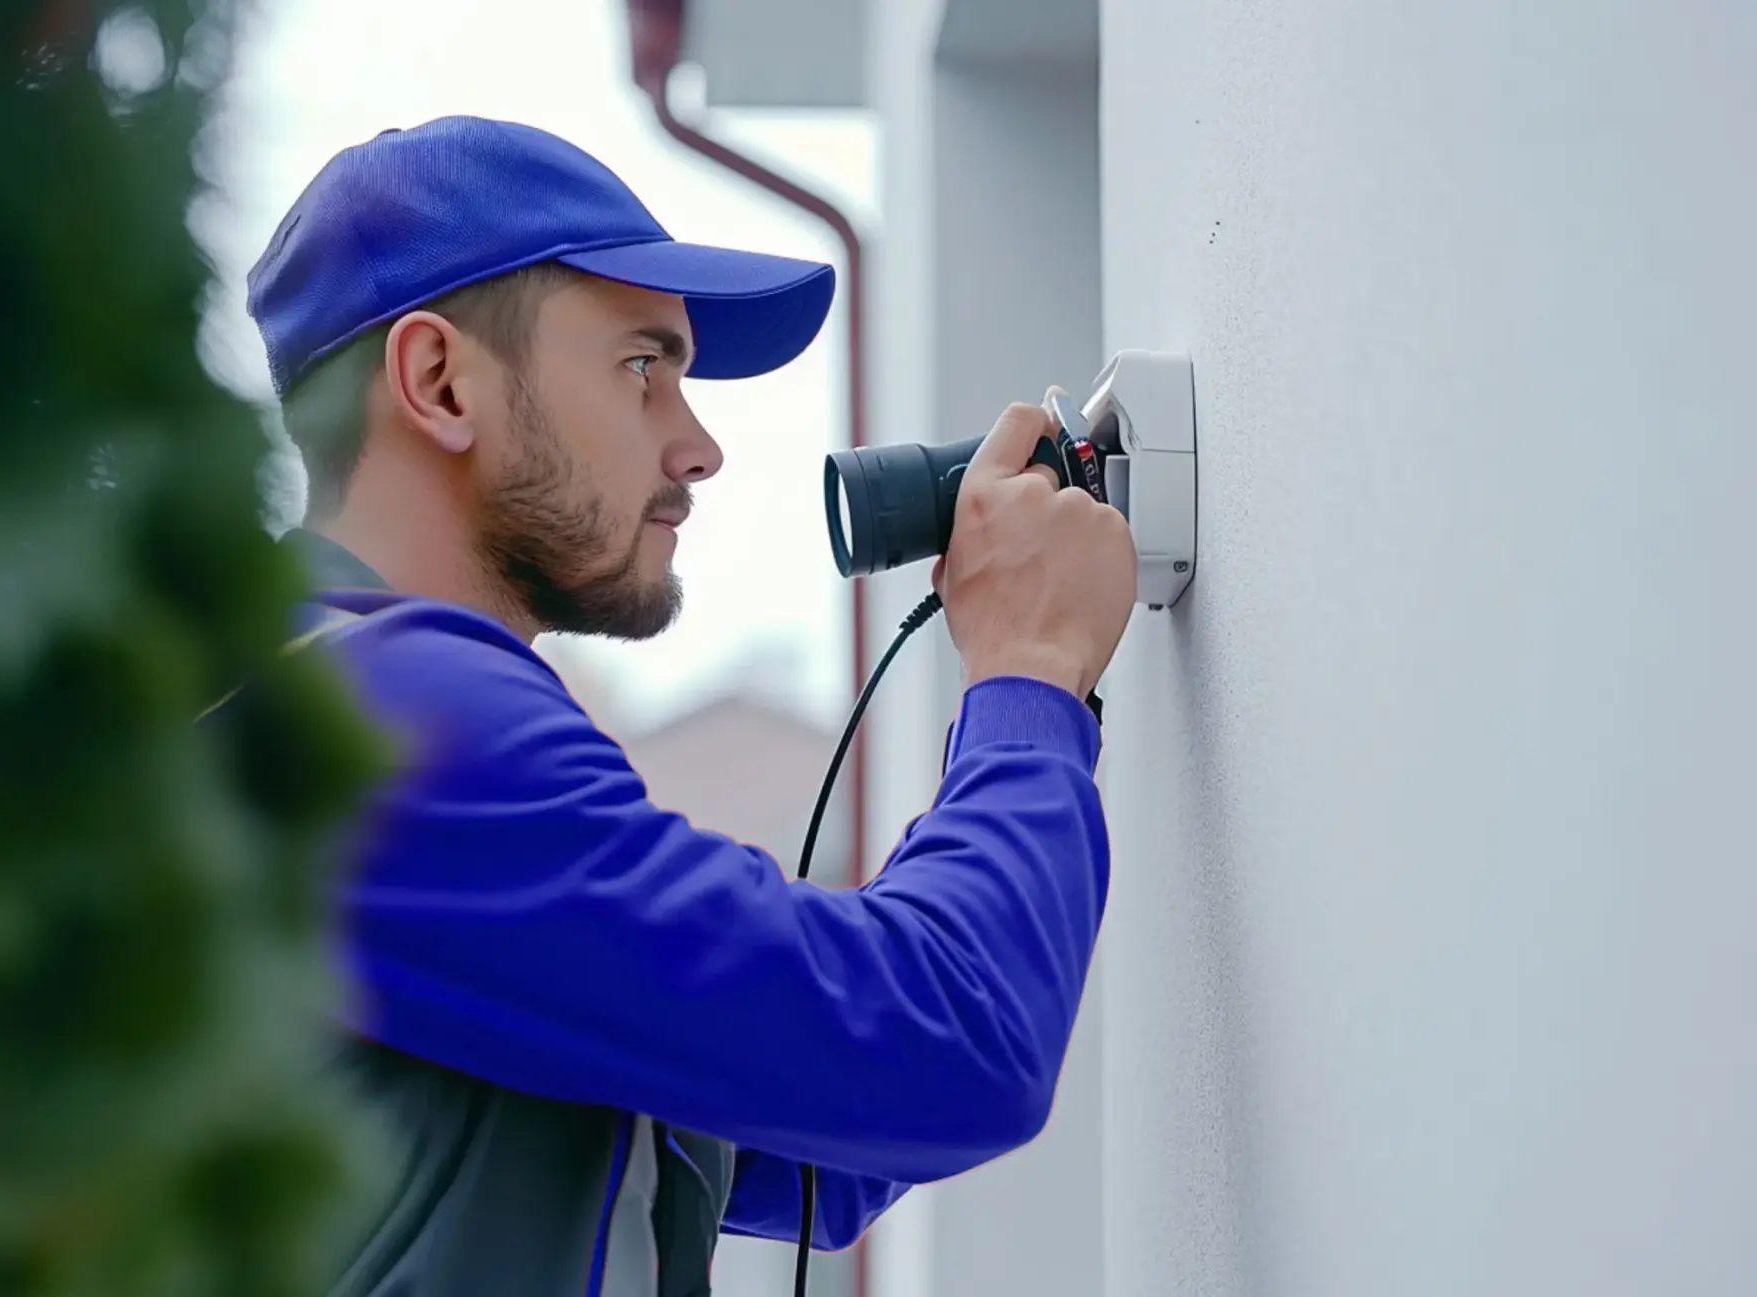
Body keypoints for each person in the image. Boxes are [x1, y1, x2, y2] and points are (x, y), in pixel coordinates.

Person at [241, 115, 1139, 1297]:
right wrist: (1026, 668)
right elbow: (947, 1045)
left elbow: (830, 1138)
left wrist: (1024, 694)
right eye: (641, 367)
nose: (699, 444)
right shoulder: (387, 722)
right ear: (437, 380)